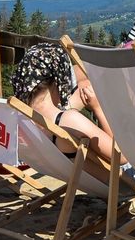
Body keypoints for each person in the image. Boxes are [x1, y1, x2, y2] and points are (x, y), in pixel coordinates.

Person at [10, 43, 117, 182]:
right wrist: (97, 108)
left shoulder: (20, 117)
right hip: (118, 183)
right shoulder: (70, 120)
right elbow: (120, 157)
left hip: (68, 170)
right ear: (57, 82)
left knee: (84, 88)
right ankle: (119, 54)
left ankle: (120, 50)